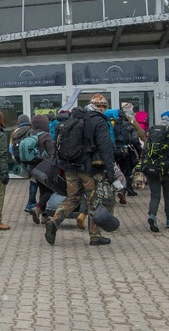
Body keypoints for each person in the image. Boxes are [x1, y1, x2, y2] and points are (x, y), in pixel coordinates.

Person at [44, 94, 124, 247]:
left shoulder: (74, 119)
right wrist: (111, 174)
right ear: (102, 107)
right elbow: (105, 148)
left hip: (70, 166)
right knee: (94, 201)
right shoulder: (99, 121)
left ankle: (54, 222)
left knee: (73, 198)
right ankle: (95, 236)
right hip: (89, 169)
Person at [144, 119, 169, 232]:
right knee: (168, 196)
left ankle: (152, 215)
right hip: (167, 169)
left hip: (152, 170)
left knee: (155, 196)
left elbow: (144, 153)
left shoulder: (150, 139)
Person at [10, 114, 38, 212]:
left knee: (31, 179)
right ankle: (31, 203)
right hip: (31, 159)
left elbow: (10, 148)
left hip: (20, 159)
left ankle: (32, 202)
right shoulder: (31, 131)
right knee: (34, 181)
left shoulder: (15, 132)